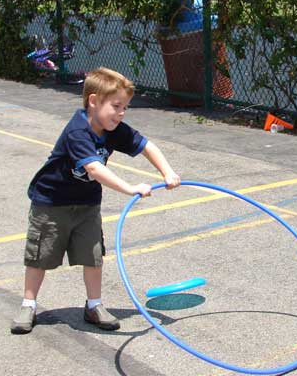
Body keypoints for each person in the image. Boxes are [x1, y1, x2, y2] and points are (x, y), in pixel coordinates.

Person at [10, 67, 180, 334]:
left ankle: (94, 305)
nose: (121, 113)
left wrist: (167, 172)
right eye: (116, 106)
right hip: (51, 202)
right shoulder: (78, 131)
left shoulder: (114, 129)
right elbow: (93, 168)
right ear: (93, 101)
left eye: (125, 107)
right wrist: (130, 188)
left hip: (87, 203)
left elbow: (147, 146)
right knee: (41, 256)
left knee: (93, 255)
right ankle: (28, 304)